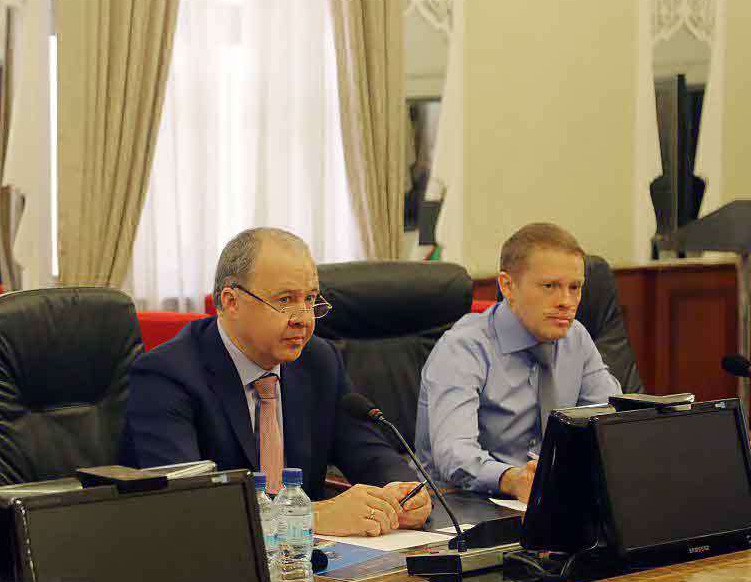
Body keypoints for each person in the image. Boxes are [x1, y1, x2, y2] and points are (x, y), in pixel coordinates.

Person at [120, 227, 432, 537]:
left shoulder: (318, 361)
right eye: (285, 300)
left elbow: (367, 450)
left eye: (310, 299)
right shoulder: (166, 375)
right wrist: (310, 516)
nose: (304, 319)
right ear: (232, 302)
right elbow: (185, 505)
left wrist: (402, 491)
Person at [415, 222, 621, 504]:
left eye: (575, 287)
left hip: (550, 501)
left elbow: (611, 423)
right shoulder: (463, 348)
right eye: (550, 286)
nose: (566, 301)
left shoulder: (576, 338)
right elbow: (453, 453)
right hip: (462, 504)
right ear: (507, 286)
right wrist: (512, 479)